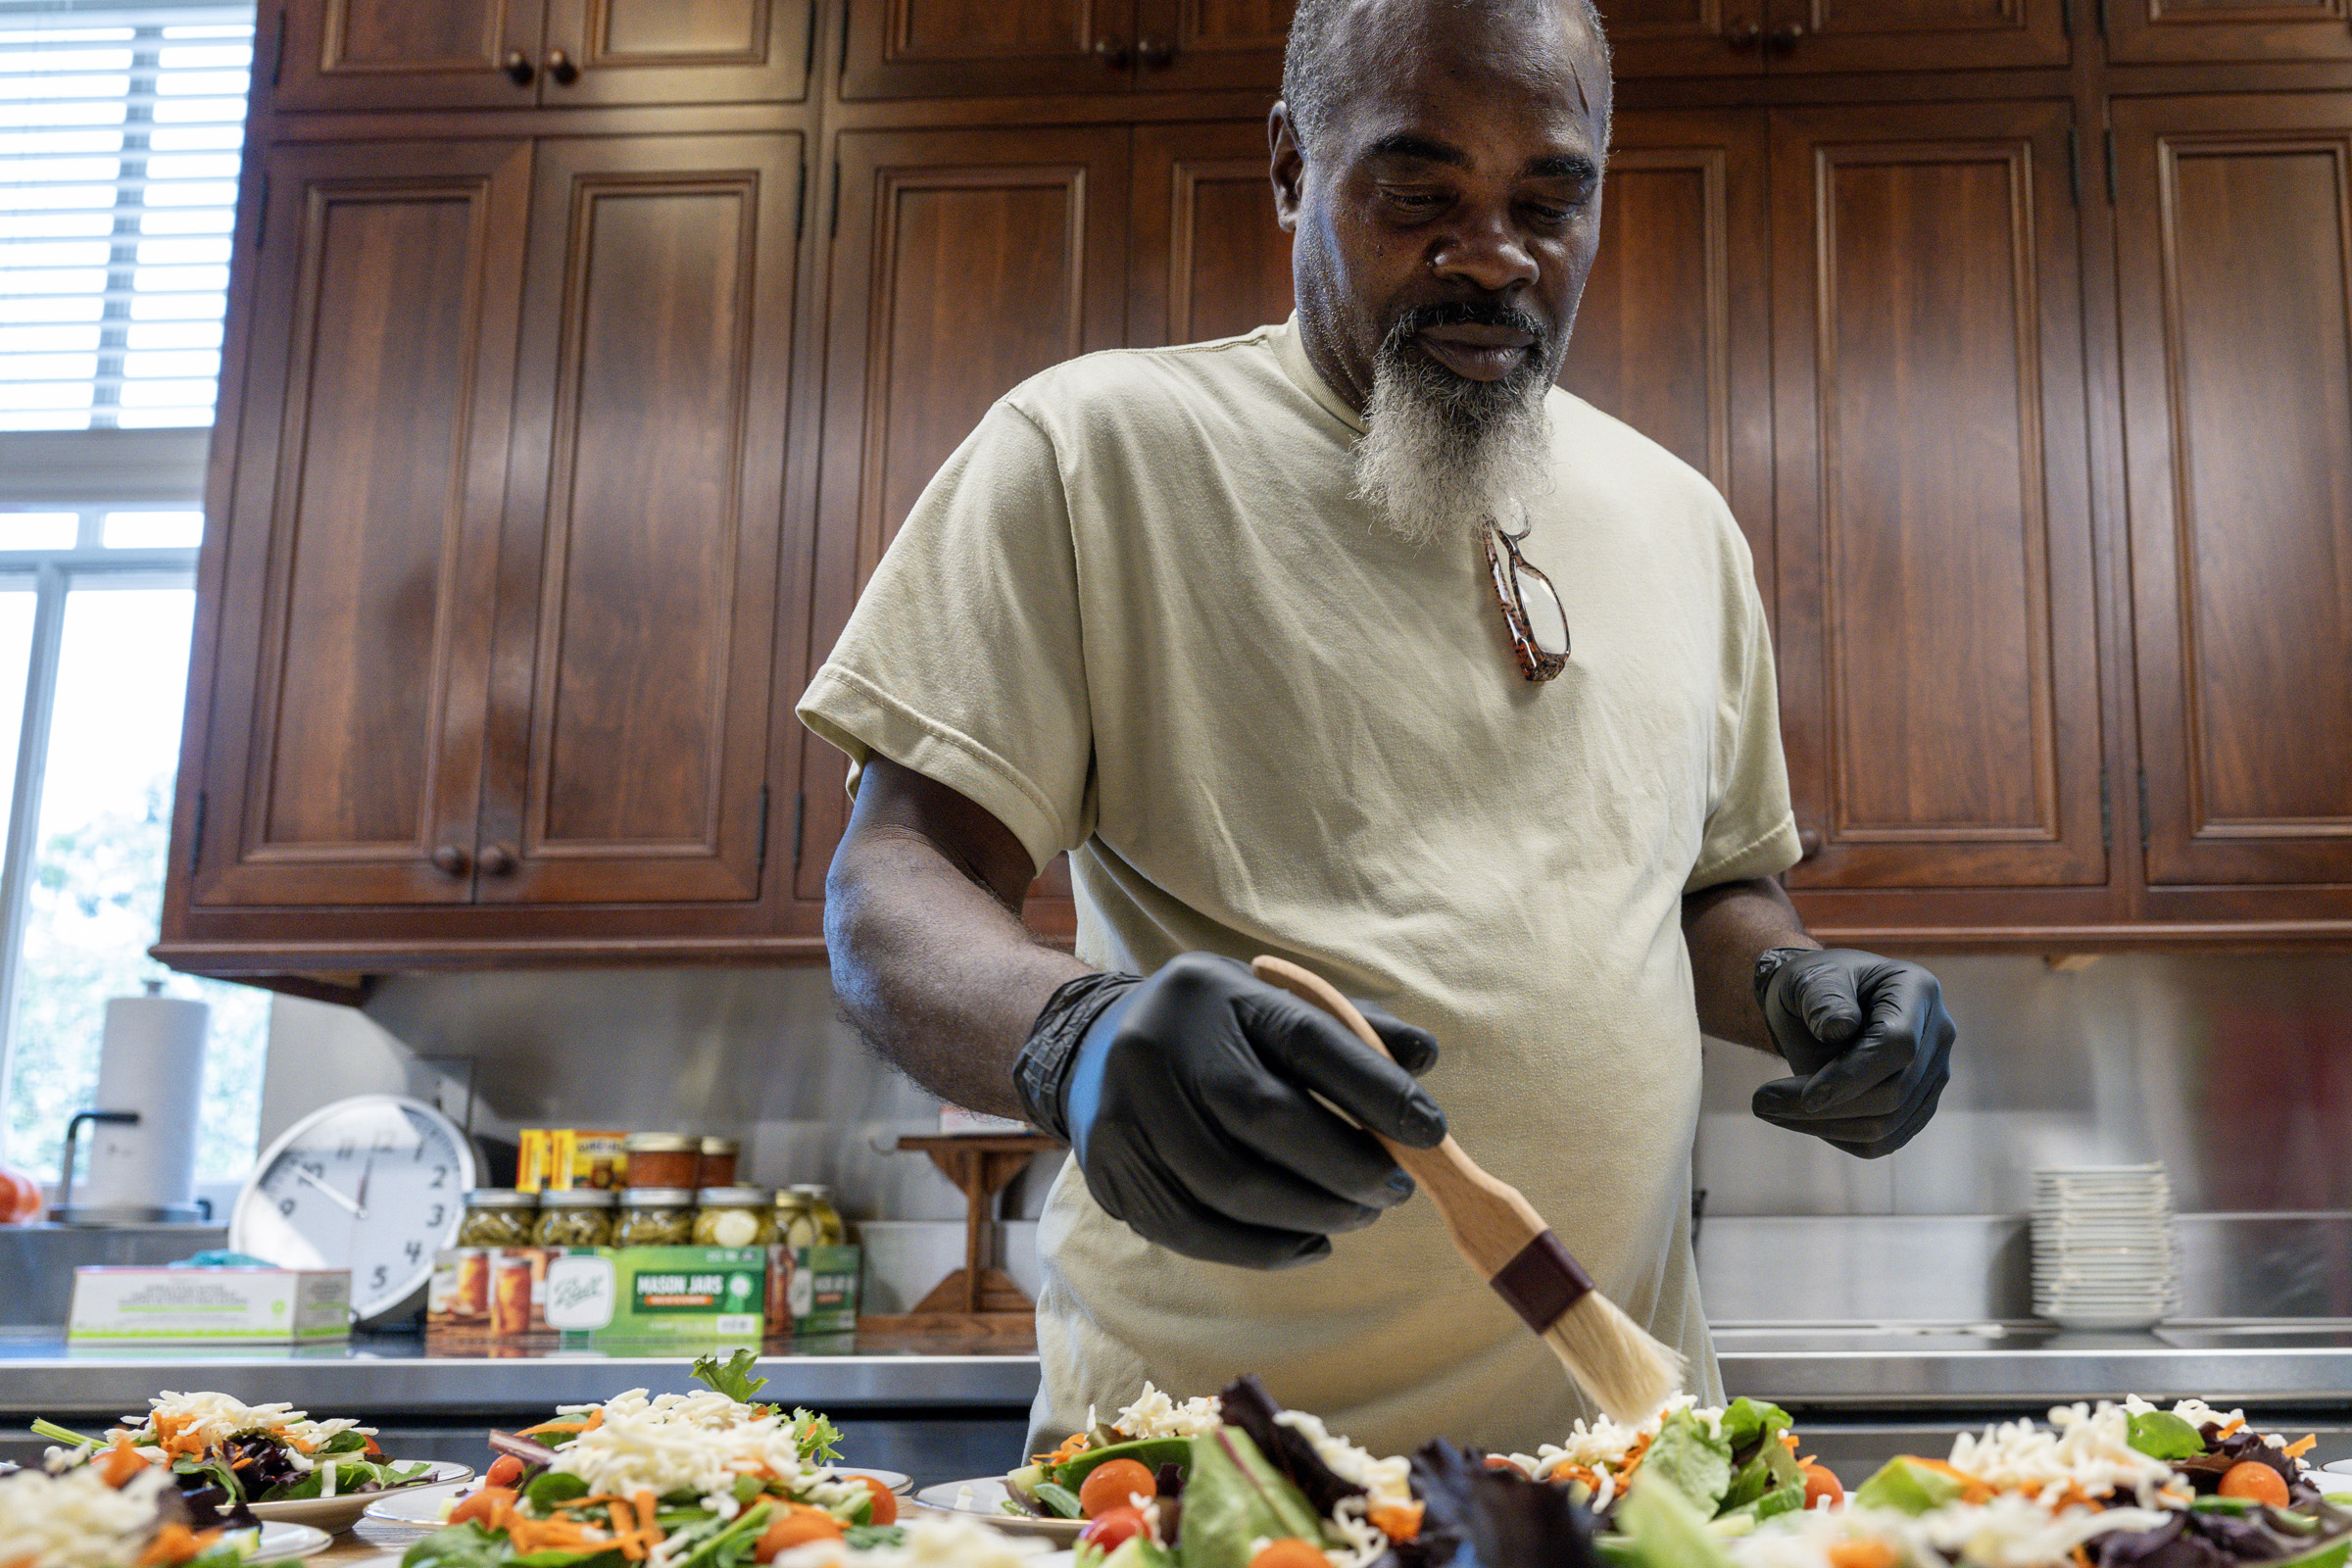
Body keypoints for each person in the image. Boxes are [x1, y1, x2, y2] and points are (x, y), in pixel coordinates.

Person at [799, 0, 1955, 1455]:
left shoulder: (1680, 518)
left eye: (1550, 200)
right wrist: (1070, 1037)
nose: (1492, 256)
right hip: (1210, 1474)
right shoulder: (1093, 451)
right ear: (1291, 168)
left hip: (1618, 1465)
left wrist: (1803, 985)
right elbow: (889, 887)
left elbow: (1715, 892)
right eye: (1421, 193)